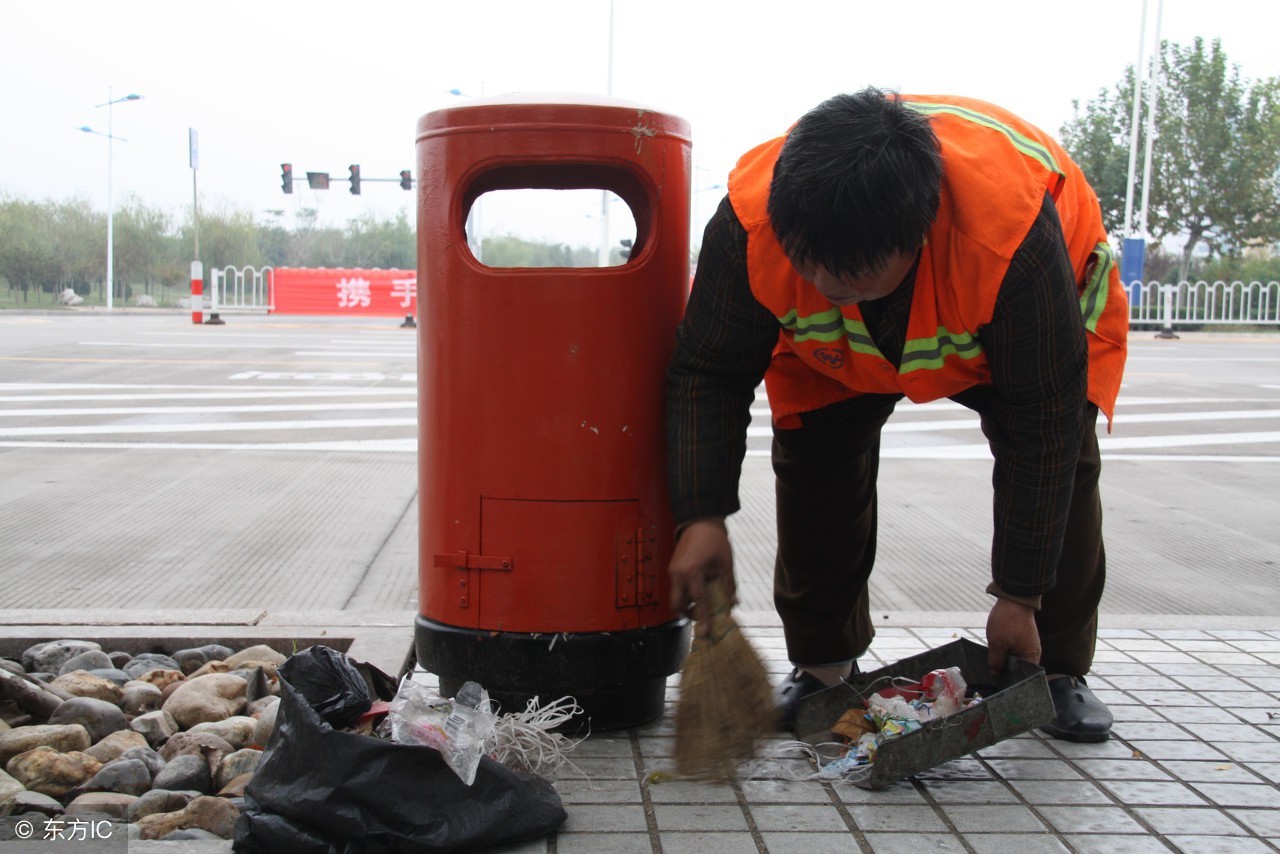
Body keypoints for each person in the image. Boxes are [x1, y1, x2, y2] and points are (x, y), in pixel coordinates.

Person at [665, 87, 1128, 742]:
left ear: (918, 237)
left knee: (1064, 458)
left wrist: (1019, 594)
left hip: (1012, 335)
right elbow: (707, 373)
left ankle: (1054, 669)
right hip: (833, 357)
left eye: (852, 277)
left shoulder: (1006, 240)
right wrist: (701, 515)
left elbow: (1042, 425)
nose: (825, 286)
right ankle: (823, 666)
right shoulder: (749, 223)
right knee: (814, 458)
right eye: (809, 264)